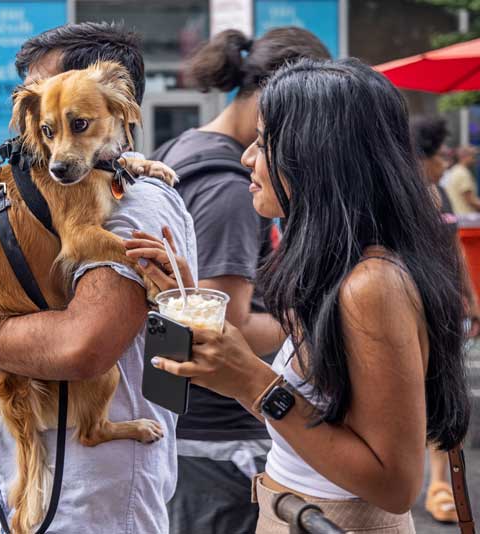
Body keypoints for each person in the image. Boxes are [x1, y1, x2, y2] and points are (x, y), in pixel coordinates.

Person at [144, 58, 470, 533]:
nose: (247, 158)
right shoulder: (335, 268)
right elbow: (315, 415)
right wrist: (187, 299)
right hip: (295, 514)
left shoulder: (372, 285)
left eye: (263, 141)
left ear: (315, 154)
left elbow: (396, 484)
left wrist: (254, 383)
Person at [0, 22, 197, 533]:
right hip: (40, 484)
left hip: (94, 499)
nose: (39, 112)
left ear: (115, 103)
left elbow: (82, 347)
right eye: (43, 116)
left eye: (72, 114)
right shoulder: (51, 186)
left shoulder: (132, 203)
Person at [145, 27, 330, 534]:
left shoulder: (182, 148)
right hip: (217, 441)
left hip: (187, 426)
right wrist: (312, 317)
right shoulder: (230, 187)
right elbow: (223, 330)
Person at [411, 115, 479, 524]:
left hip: (445, 308)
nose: (443, 164)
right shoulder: (399, 196)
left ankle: (439, 484)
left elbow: (454, 252)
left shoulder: (439, 192)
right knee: (415, 395)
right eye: (439, 156)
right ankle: (423, 483)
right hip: (415, 308)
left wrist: (469, 297)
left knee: (442, 395)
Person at [445, 145, 480, 215]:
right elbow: (471, 200)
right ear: (465, 156)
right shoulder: (462, 173)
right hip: (464, 219)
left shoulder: (455, 170)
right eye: (473, 156)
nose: (475, 160)